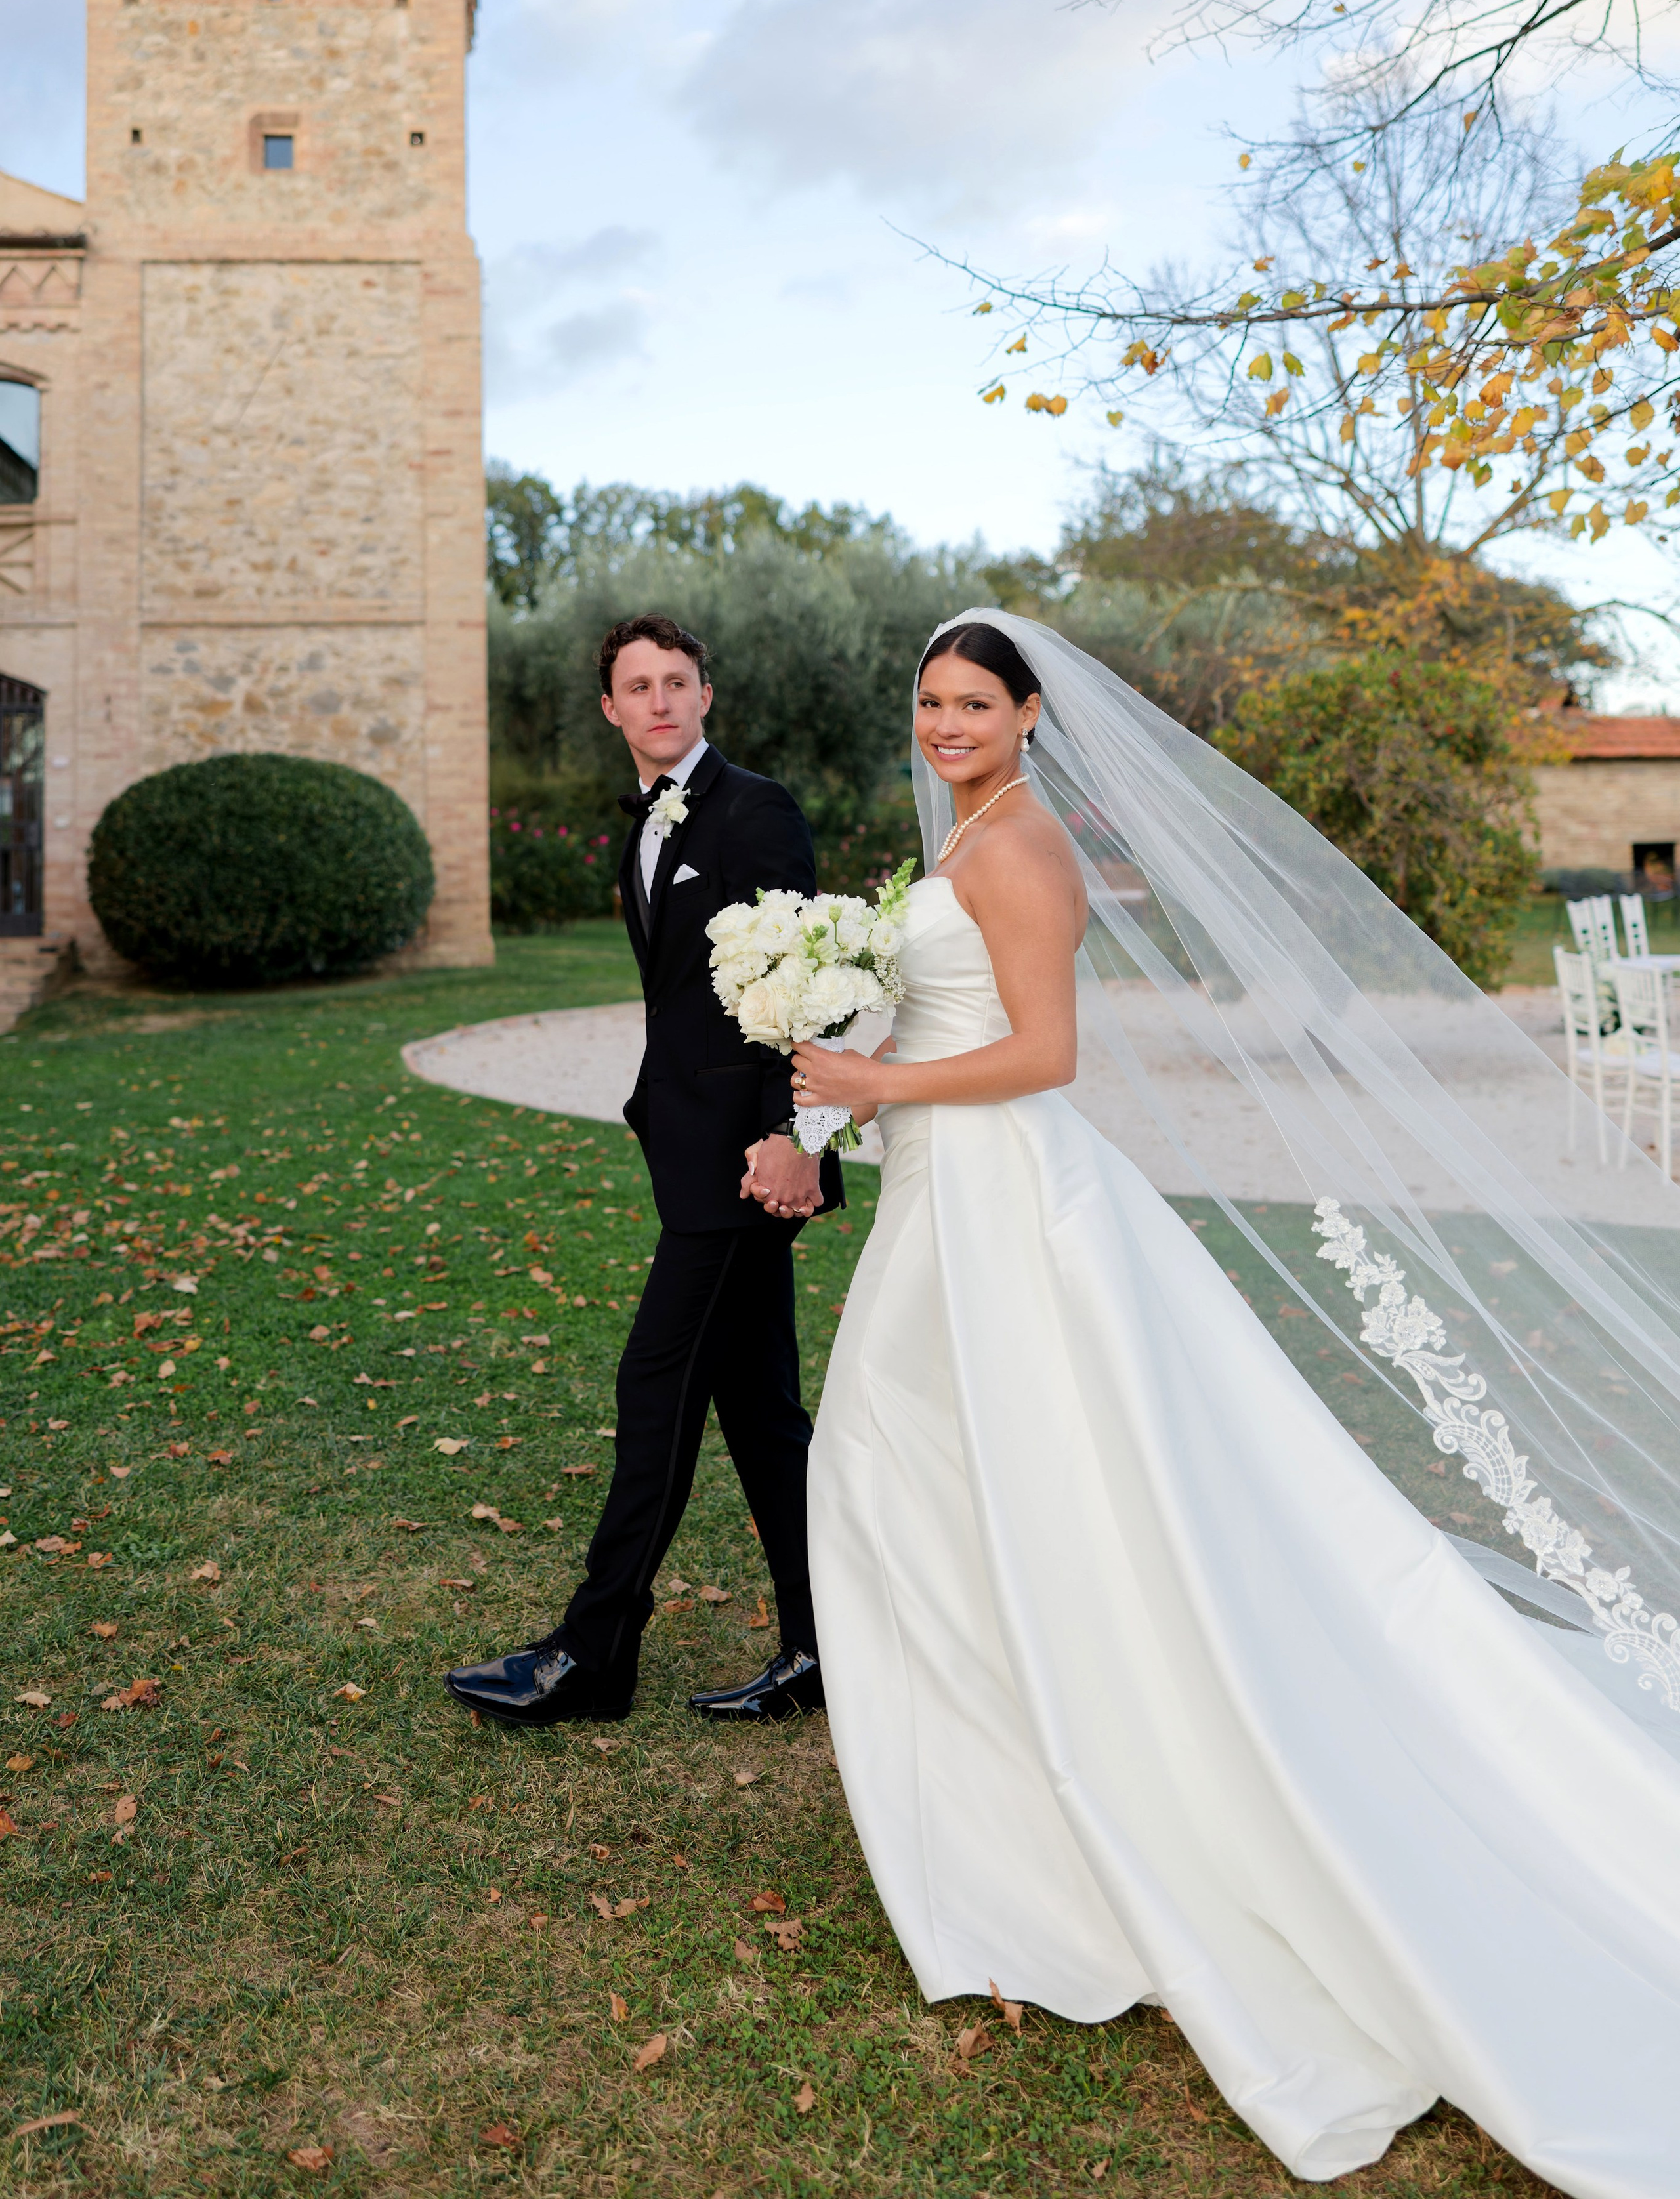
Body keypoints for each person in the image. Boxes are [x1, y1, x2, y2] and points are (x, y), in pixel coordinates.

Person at [793, 614, 1680, 2196]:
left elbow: (1045, 1055)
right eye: (926, 700)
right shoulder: (970, 832)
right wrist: (842, 1089)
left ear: (1028, 714)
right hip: (950, 1202)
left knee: (961, 1486)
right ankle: (1012, 1825)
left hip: (1008, 1212)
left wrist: (871, 1090)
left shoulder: (1021, 849)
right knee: (906, 1485)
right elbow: (944, 1019)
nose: (942, 722)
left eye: (971, 703)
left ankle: (1066, 1830)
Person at [445, 613, 841, 1729]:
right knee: (761, 1417)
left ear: (706, 694)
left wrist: (794, 1136)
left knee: (654, 1385)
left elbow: (808, 978)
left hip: (750, 1166)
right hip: (695, 1150)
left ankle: (593, 1651)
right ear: (612, 708)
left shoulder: (756, 811)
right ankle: (826, 1647)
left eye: (678, 680)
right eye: (638, 685)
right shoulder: (646, 828)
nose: (660, 699)